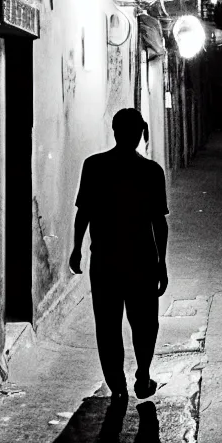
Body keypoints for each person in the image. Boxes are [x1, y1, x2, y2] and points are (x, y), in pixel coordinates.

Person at [69, 108, 169, 401]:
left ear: (114, 131)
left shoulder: (94, 166)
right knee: (145, 322)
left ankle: (117, 385)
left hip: (105, 260)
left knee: (108, 325)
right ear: (140, 134)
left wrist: (76, 248)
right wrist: (162, 263)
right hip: (142, 260)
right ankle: (143, 375)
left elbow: (83, 213)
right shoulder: (151, 171)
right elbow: (158, 222)